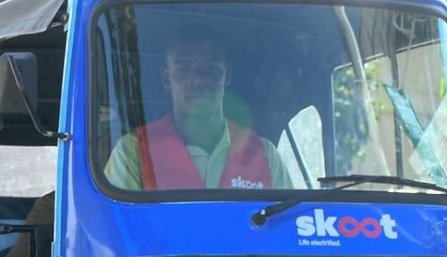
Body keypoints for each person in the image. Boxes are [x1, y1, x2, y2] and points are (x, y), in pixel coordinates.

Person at [104, 24, 300, 192]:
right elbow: (116, 222)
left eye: (210, 68)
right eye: (183, 68)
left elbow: (288, 222)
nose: (197, 79)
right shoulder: (133, 152)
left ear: (227, 75)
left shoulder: (265, 155)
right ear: (166, 78)